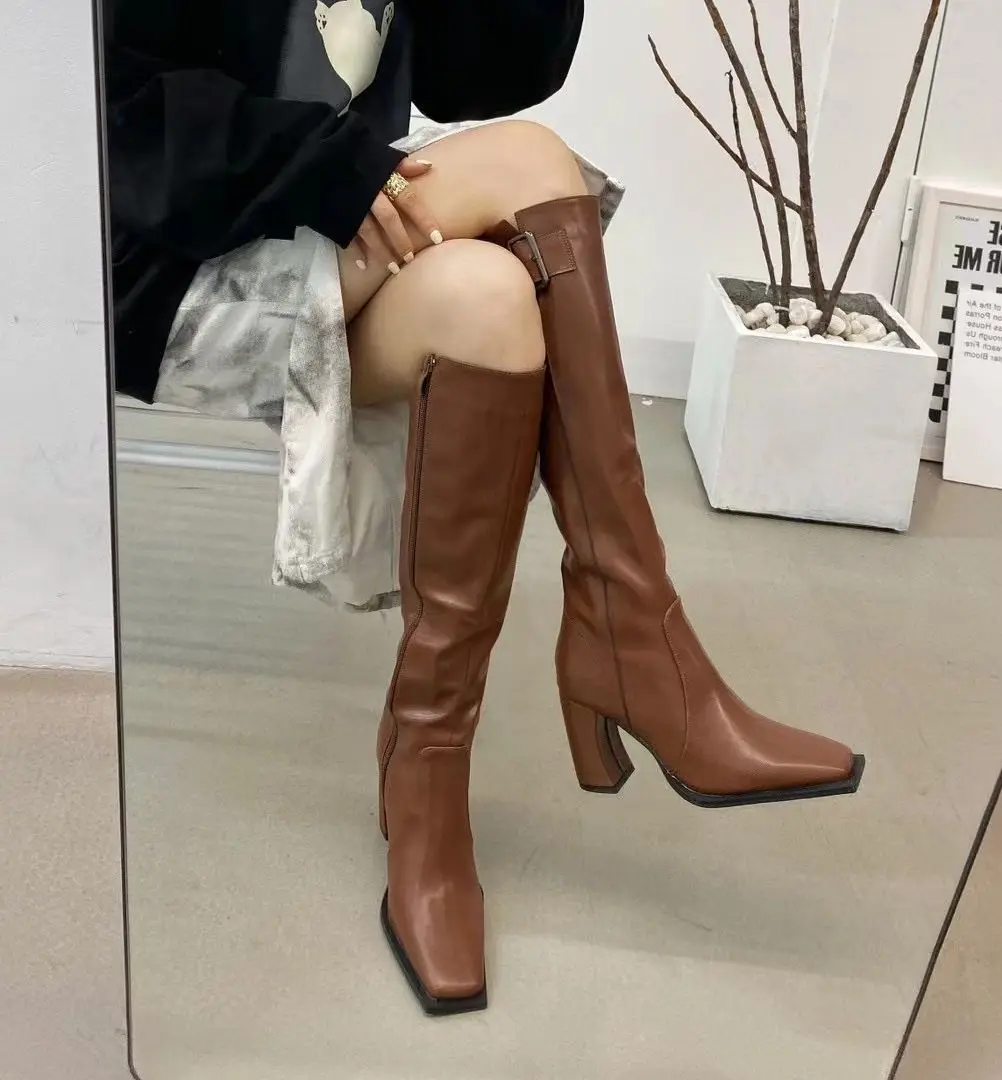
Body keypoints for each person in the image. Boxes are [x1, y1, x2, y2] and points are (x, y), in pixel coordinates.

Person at [106, 0, 862, 1018]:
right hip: (174, 260)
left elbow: (483, 69)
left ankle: (429, 774)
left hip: (327, 227)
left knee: (491, 301)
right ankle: (630, 636)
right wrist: (331, 167)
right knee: (530, 163)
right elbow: (111, 110)